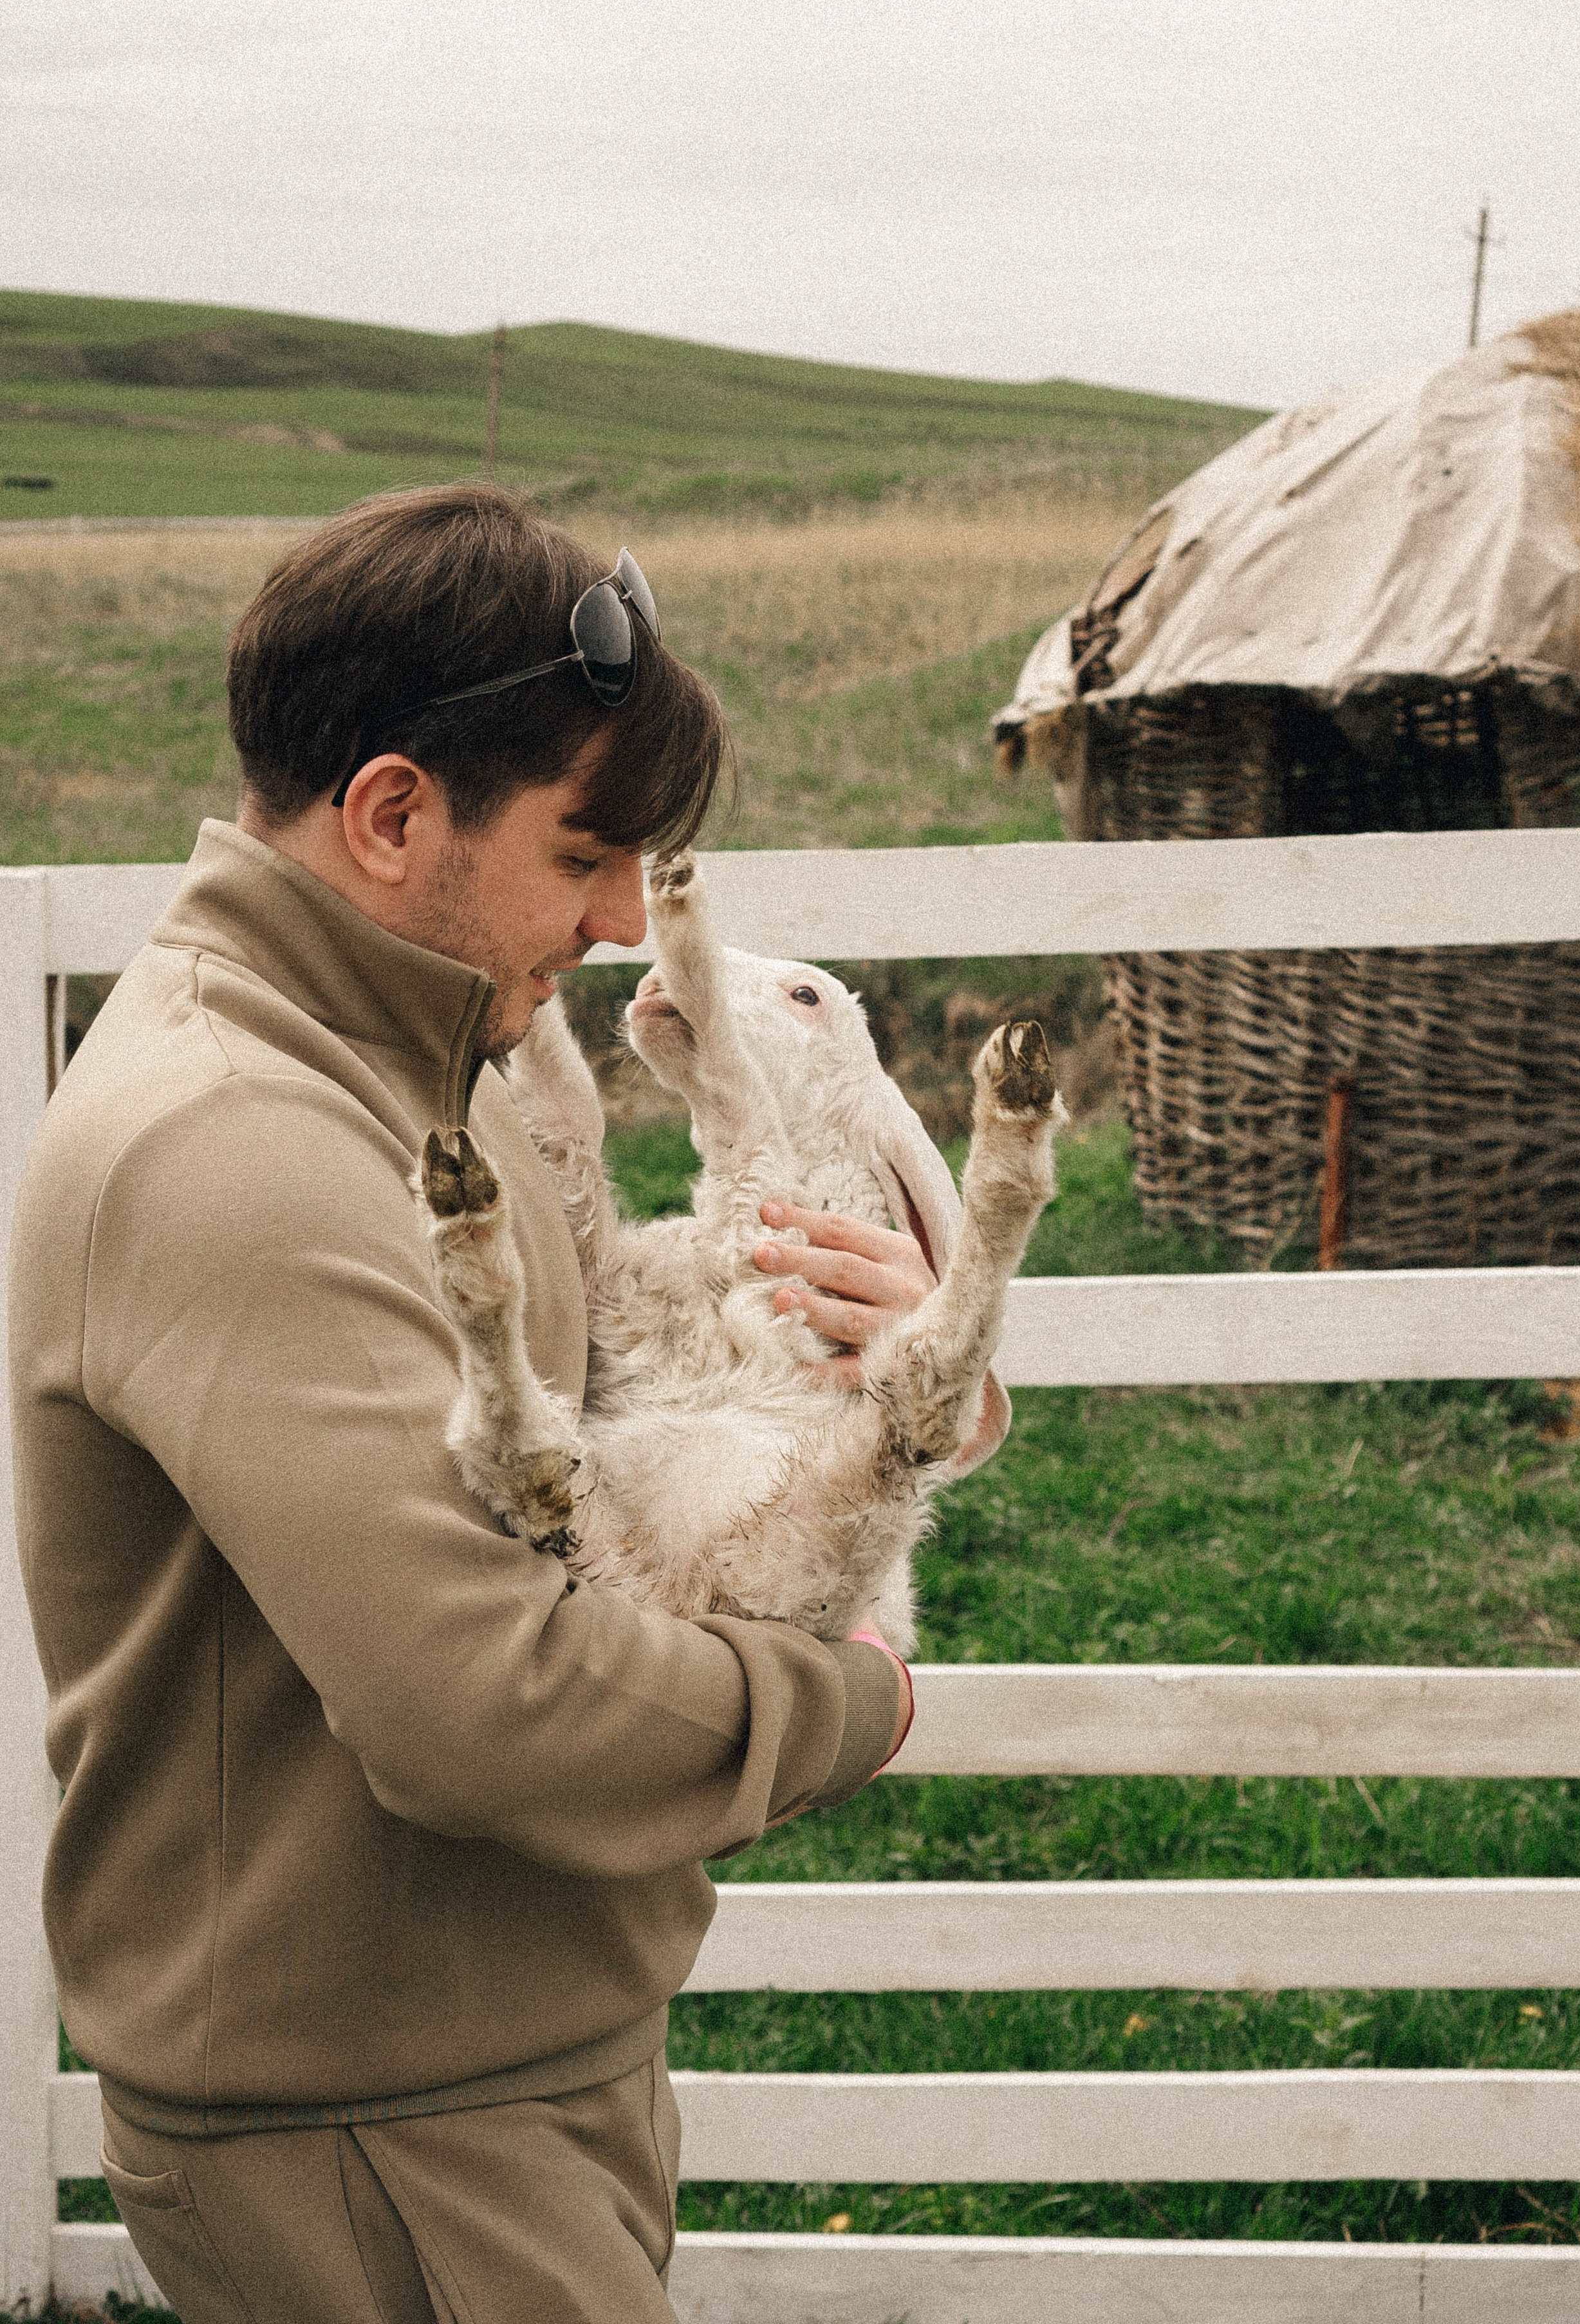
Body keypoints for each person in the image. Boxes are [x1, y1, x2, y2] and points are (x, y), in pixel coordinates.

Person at [8, 485, 940, 2323]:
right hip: (374, 2127)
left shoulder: (429, 1058)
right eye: (586, 852)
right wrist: (853, 1705)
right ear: (388, 814)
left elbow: (611, 1408)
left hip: (482, 2061)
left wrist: (898, 1379)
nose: (616, 920)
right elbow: (481, 1702)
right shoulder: (239, 1145)